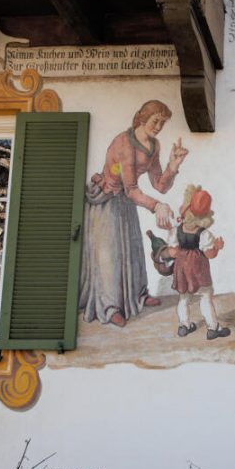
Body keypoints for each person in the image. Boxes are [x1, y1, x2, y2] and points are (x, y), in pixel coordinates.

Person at [80, 100, 188, 326]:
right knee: (110, 254)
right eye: (155, 121)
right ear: (142, 118)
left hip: (126, 201)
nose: (158, 127)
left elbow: (160, 184)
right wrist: (156, 206)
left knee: (134, 248)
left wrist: (173, 166)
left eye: (162, 123)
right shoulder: (124, 143)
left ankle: (138, 295)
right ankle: (110, 307)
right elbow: (130, 188)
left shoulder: (154, 146)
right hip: (107, 201)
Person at [165, 185, 230, 340]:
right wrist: (217, 247)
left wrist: (180, 253)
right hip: (198, 269)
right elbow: (209, 254)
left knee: (183, 298)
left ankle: (184, 326)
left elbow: (173, 252)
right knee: (205, 296)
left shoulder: (176, 230)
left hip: (182, 268)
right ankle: (213, 328)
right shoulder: (204, 234)